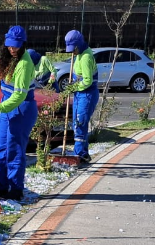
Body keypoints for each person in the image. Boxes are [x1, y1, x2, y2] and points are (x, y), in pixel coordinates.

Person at [0, 26, 38, 200]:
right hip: (8, 107)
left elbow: (19, 95)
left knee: (14, 150)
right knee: (1, 149)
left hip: (21, 108)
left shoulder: (24, 63)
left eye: (16, 46)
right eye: (10, 45)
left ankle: (16, 189)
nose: (12, 49)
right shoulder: (9, 59)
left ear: (23, 44)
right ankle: (0, 186)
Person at [65, 29, 98, 162]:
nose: (72, 52)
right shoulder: (80, 54)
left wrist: (74, 86)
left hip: (87, 94)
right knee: (76, 123)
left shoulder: (85, 57)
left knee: (80, 123)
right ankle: (83, 153)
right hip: (80, 93)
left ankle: (78, 154)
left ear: (79, 45)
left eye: (73, 49)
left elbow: (87, 81)